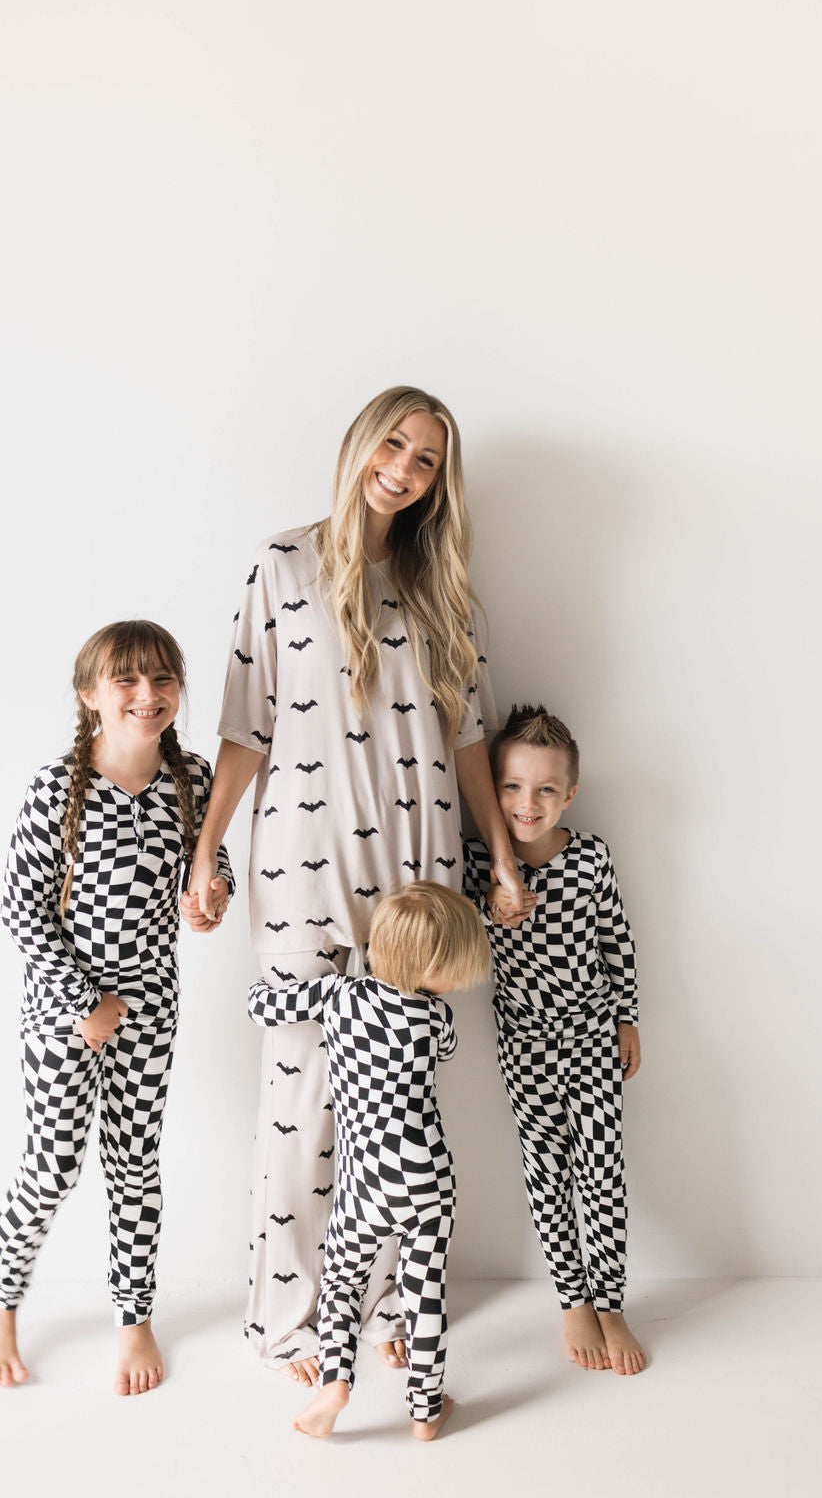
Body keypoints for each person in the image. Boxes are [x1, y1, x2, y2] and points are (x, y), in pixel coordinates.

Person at [184, 385, 532, 1385]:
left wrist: (501, 860)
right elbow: (242, 727)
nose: (405, 468)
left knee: (394, 1102)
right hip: (301, 858)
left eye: (427, 460)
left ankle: (376, 1304)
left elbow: (468, 740)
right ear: (360, 444)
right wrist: (206, 851)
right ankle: (288, 1320)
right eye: (396, 444)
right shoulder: (284, 563)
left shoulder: (444, 588)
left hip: (418, 866)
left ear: (437, 483)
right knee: (301, 1089)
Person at [0, 621, 232, 1395]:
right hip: (65, 1006)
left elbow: (212, 875)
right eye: (126, 680)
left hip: (152, 1005)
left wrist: (212, 901)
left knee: (134, 1164)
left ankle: (134, 1316)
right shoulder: (56, 789)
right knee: (52, 1164)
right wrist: (85, 1002)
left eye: (161, 679)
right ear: (91, 695)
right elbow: (22, 911)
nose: (146, 695)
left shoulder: (192, 777)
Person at [248, 883, 490, 1440]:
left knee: (341, 1284)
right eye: (454, 967)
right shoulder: (437, 1020)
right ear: (429, 965)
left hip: (364, 1181)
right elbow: (447, 1050)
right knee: (424, 1290)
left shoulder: (339, 997)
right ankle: (426, 1410)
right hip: (427, 1176)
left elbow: (261, 1005)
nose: (456, 981)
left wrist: (276, 983)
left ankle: (335, 1385)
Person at [462, 703, 647, 1375]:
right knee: (547, 1166)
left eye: (544, 788)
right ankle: (572, 1297)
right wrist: (493, 900)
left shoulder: (591, 856)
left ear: (569, 793)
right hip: (526, 1039)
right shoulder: (480, 860)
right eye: (511, 786)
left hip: (594, 1033)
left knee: (602, 1168)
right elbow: (459, 937)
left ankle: (611, 1301)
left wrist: (627, 1016)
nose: (527, 802)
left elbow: (616, 941)